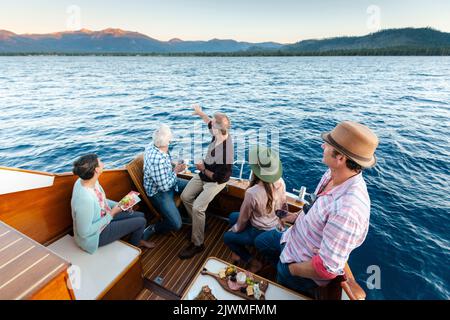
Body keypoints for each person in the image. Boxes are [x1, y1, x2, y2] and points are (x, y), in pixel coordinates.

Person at [255, 121, 379, 296]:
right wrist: (293, 217)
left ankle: (280, 274)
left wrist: (291, 270)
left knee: (282, 277)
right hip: (291, 238)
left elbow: (327, 269)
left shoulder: (348, 210)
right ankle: (275, 267)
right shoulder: (332, 173)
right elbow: (313, 205)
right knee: (261, 242)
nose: (323, 145)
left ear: (340, 158)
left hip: (299, 264)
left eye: (328, 144)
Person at [179, 104, 234, 259]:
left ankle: (198, 244)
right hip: (204, 173)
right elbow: (208, 120)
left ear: (218, 129)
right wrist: (199, 112)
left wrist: (202, 169)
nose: (210, 127)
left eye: (213, 126)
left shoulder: (227, 152)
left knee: (197, 207)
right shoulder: (217, 132)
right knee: (185, 197)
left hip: (215, 181)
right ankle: (200, 224)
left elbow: (220, 178)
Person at [71, 154, 155, 254]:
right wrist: (111, 214)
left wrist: (120, 205)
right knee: (141, 221)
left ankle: (135, 239)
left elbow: (101, 200)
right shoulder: (85, 199)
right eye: (100, 162)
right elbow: (84, 233)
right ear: (96, 170)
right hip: (96, 235)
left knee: (140, 215)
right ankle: (135, 245)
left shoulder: (87, 180)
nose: (103, 163)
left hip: (103, 216)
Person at [224, 146, 287, 272]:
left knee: (227, 237)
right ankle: (239, 249)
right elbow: (284, 206)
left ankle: (252, 261)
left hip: (259, 230)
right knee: (232, 217)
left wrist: (235, 229)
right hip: (273, 225)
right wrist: (281, 223)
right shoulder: (280, 181)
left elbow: (243, 219)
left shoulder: (252, 192)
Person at [142, 124, 188, 239]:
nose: (170, 142)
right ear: (167, 143)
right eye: (169, 140)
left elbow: (165, 164)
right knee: (176, 224)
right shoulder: (157, 160)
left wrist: (174, 165)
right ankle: (154, 228)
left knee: (193, 187)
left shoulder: (154, 145)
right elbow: (165, 186)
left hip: (167, 179)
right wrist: (176, 171)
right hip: (159, 192)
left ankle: (184, 214)